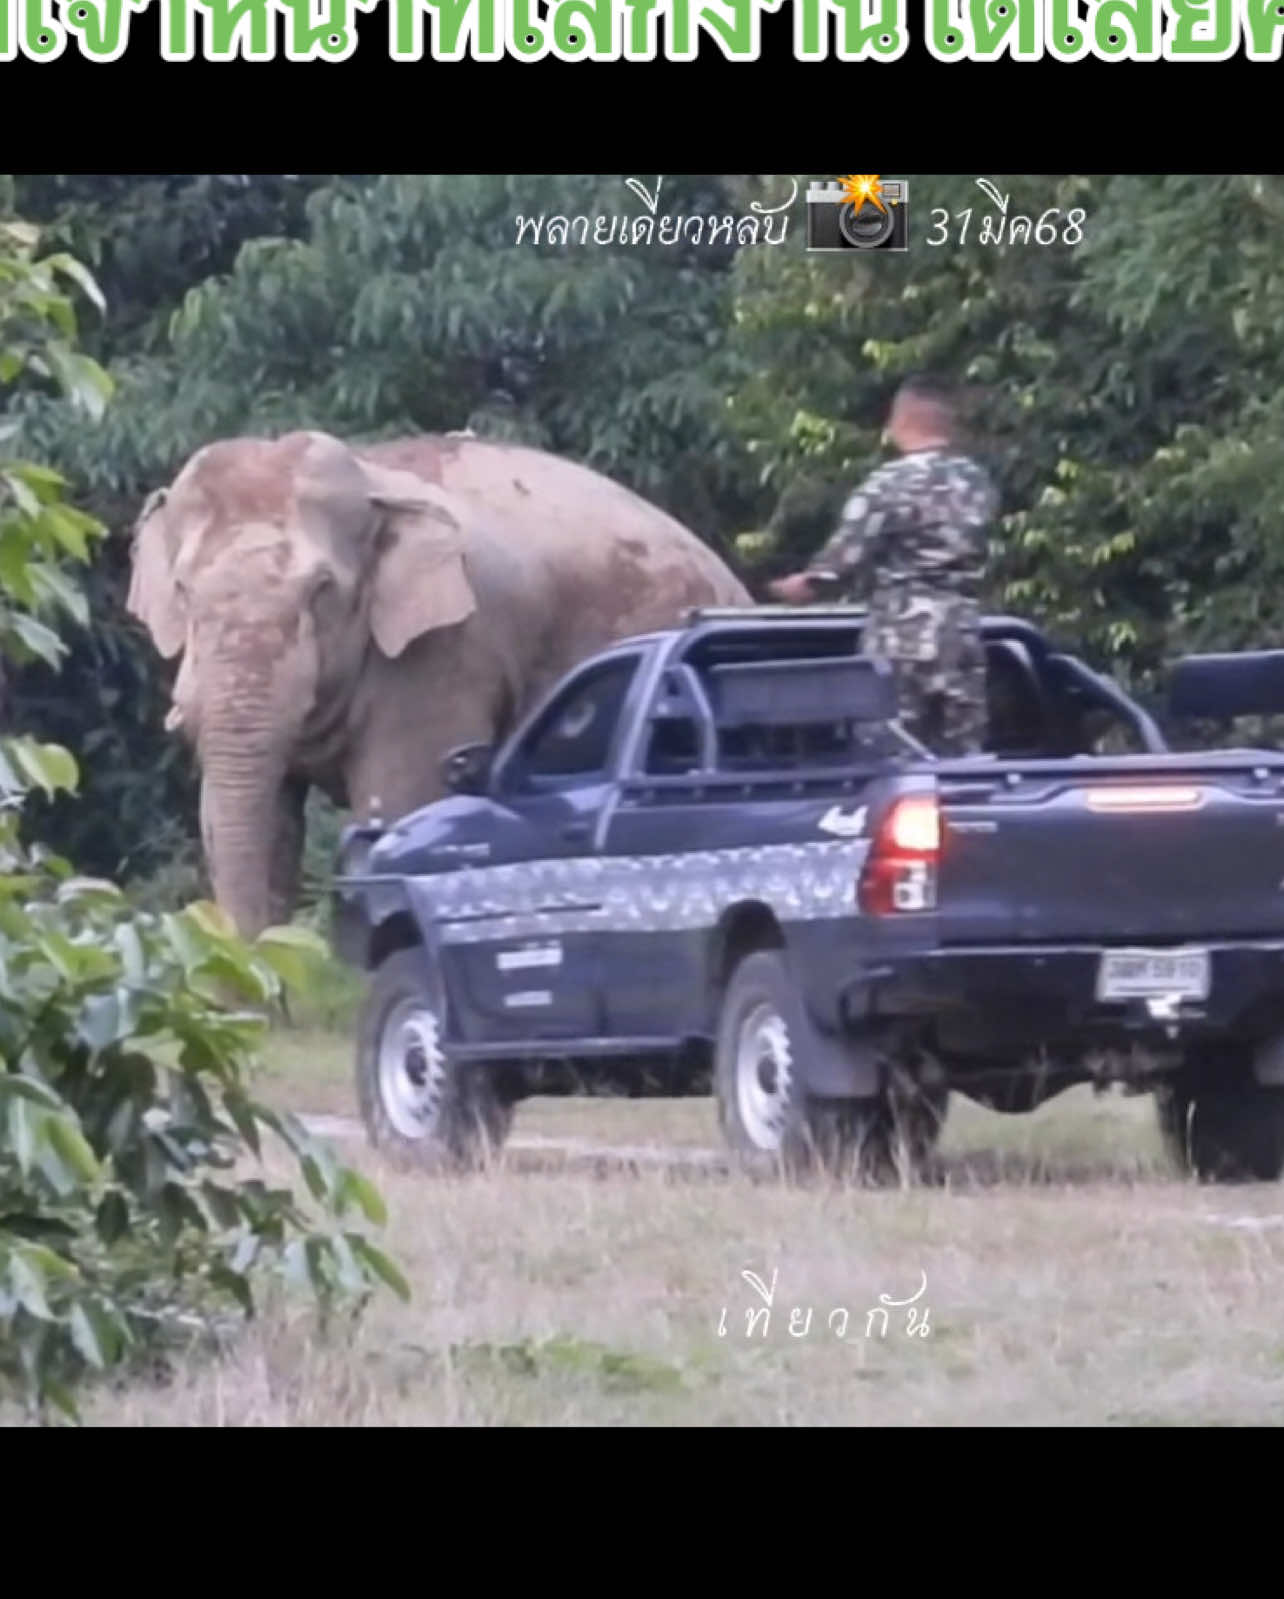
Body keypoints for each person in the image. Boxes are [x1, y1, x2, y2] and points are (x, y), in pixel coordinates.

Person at [767, 375, 998, 757]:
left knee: (890, 754)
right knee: (961, 757)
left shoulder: (889, 483)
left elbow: (843, 561)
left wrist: (801, 586)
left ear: (900, 422)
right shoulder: (977, 482)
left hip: (901, 635)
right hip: (962, 632)